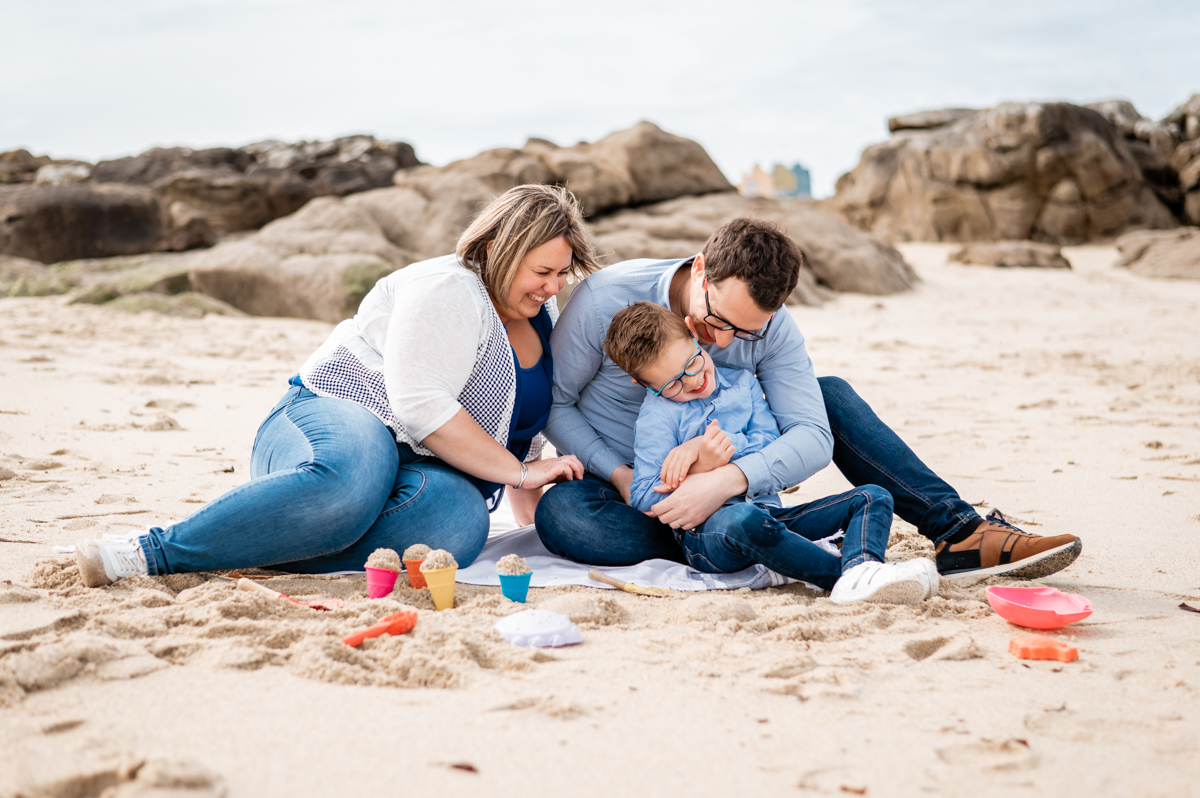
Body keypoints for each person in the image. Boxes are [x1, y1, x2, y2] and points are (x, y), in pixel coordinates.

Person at [75, 185, 598, 587]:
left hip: (420, 466)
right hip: (334, 418)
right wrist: (522, 472)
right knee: (353, 482)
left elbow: (516, 420)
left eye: (562, 273)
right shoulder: (448, 288)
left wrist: (530, 503)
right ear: (496, 249)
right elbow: (420, 407)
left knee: (457, 526)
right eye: (543, 270)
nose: (554, 286)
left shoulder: (540, 310)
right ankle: (151, 551)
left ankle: (260, 543)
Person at [538, 217, 1082, 580]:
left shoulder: (773, 329)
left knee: (832, 396)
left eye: (745, 333)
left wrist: (728, 479)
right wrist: (621, 476)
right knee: (564, 516)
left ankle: (960, 533)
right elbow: (555, 404)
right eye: (718, 321)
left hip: (737, 484)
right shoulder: (606, 299)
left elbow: (814, 436)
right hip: (637, 491)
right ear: (701, 269)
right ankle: (738, 540)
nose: (723, 342)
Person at [607, 302, 936, 603]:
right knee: (742, 519)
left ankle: (863, 568)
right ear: (646, 386)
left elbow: (770, 442)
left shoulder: (743, 384)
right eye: (673, 385)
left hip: (770, 518)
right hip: (708, 535)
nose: (692, 382)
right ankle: (842, 579)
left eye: (692, 364)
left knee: (873, 497)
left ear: (694, 336)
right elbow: (643, 496)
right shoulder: (657, 416)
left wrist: (711, 449)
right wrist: (697, 469)